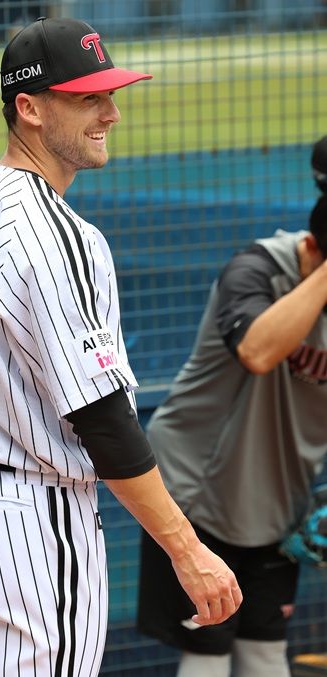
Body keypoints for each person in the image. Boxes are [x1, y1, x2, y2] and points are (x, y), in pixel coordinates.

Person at [0, 17, 242, 676]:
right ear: (29, 109)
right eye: (88, 98)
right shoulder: (62, 237)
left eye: (110, 95)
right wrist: (187, 550)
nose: (111, 113)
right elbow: (103, 419)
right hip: (33, 517)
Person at [137, 194, 327, 677]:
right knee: (208, 651)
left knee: (265, 651)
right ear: (313, 249)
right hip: (196, 493)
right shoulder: (254, 270)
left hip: (279, 501)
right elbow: (257, 351)